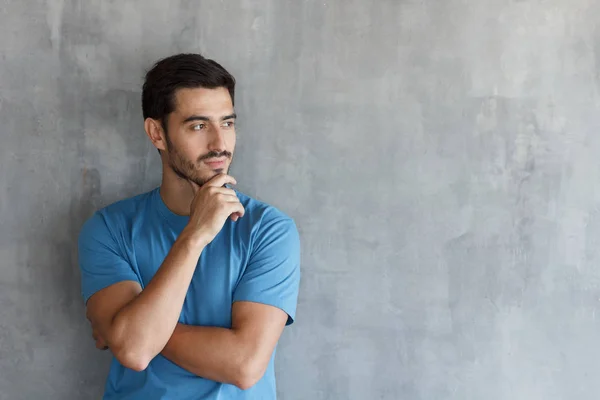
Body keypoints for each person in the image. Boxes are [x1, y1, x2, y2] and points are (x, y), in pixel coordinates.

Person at [78, 53, 301, 399]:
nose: (219, 144)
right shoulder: (109, 229)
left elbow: (244, 366)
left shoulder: (267, 230)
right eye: (198, 126)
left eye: (227, 123)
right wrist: (195, 235)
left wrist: (129, 330)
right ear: (157, 133)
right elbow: (136, 354)